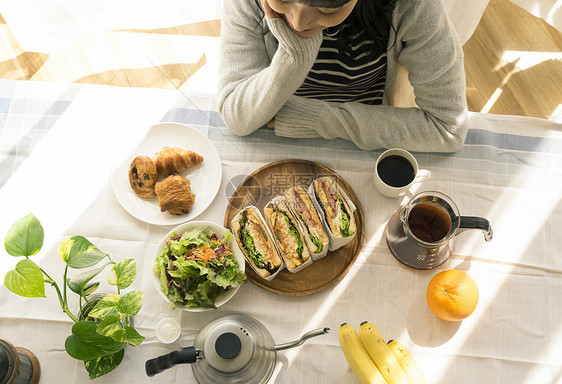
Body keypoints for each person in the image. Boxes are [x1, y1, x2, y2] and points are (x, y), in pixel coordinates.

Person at [218, 0, 468, 152]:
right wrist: (294, 57)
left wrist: (314, 118)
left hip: (365, 128)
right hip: (277, 134)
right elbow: (236, 116)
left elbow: (447, 127)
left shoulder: (412, 6)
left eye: (327, 9)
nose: (298, 23)